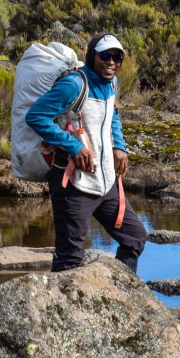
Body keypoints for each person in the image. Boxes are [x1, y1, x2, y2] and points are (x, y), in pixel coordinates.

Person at [26, 32, 146, 273]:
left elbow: (113, 117)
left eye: (117, 57)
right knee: (69, 259)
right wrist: (73, 145)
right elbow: (36, 116)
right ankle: (59, 309)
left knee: (134, 237)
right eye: (105, 55)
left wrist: (119, 146)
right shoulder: (74, 84)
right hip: (73, 184)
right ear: (93, 56)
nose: (111, 62)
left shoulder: (111, 83)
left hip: (106, 181)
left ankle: (121, 293)